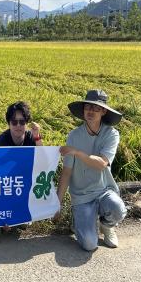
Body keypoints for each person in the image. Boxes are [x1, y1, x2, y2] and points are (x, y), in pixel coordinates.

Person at [56, 89, 126, 251]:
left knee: (118, 209)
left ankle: (106, 226)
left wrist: (78, 152)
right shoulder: (73, 136)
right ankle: (78, 220)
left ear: (103, 111)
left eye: (96, 108)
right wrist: (57, 203)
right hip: (81, 196)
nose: (91, 111)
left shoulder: (111, 134)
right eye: (88, 107)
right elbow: (66, 172)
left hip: (104, 190)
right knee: (89, 244)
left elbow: (102, 163)